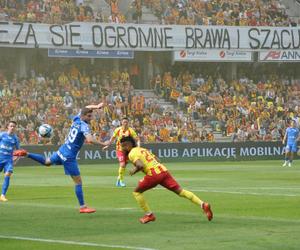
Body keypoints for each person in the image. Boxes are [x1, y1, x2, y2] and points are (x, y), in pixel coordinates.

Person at [14, 103, 105, 213]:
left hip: (62, 150)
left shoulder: (76, 118)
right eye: (89, 116)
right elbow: (90, 140)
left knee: (47, 162)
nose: (91, 118)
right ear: (84, 116)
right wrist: (103, 143)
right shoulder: (84, 125)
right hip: (69, 156)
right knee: (78, 182)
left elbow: (86, 107)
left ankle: (27, 154)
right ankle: (83, 207)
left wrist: (97, 106)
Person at [120, 135, 213, 224]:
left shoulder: (132, 153)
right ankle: (203, 204)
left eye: (123, 146)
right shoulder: (143, 149)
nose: (123, 149)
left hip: (154, 174)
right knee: (181, 192)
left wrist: (134, 170)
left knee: (136, 192)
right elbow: (158, 159)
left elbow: (140, 165)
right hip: (163, 171)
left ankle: (149, 215)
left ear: (129, 144)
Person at [103, 117, 140, 187]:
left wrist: (138, 147)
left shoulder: (130, 130)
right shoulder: (118, 130)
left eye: (126, 122)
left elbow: (137, 139)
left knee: (124, 165)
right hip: (120, 149)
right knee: (122, 164)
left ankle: (118, 180)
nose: (125, 123)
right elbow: (112, 138)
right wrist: (107, 146)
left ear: (128, 123)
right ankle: (121, 181)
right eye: (124, 122)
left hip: (128, 150)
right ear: (121, 123)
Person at [0, 121, 20, 202]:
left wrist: (16, 158)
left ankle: (2, 195)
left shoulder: (15, 138)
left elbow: (19, 151)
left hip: (8, 160)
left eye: (14, 126)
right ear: (7, 127)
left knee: (8, 174)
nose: (12, 127)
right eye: (11, 126)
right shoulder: (2, 135)